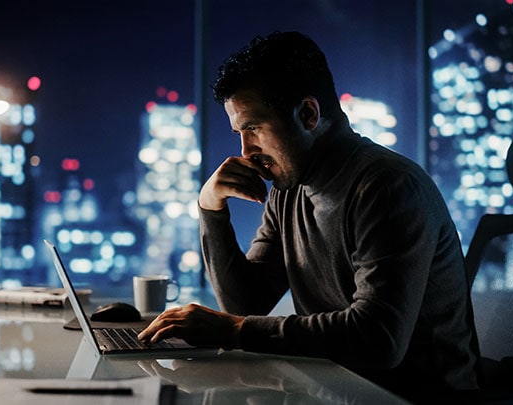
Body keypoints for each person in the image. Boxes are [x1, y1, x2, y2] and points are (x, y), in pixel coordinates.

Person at [139, 31, 480, 401]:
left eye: (253, 128)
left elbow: (380, 339)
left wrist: (234, 331)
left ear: (308, 114)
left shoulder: (388, 187)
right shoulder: (290, 190)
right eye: (240, 132)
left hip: (408, 398)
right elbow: (245, 305)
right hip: (333, 389)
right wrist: (210, 208)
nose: (245, 151)